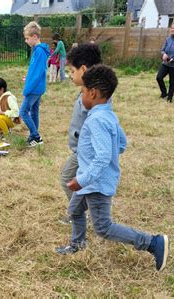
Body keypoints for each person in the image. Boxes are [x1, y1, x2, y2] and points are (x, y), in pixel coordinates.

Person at [55, 65, 169, 272]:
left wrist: (83, 179)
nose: (81, 98)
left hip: (94, 183)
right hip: (90, 180)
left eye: (82, 93)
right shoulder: (108, 115)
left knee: (103, 228)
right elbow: (122, 144)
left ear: (92, 93)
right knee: (75, 210)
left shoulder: (97, 120)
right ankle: (78, 244)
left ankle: (152, 242)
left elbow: (104, 156)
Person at [60, 44, 104, 225]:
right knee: (79, 181)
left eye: (72, 70)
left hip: (84, 150)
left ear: (83, 69)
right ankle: (83, 209)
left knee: (67, 179)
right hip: (81, 147)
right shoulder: (89, 90)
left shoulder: (93, 95)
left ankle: (78, 212)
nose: (70, 75)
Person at [21, 21, 49, 147]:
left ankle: (36, 137)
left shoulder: (39, 52)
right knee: (34, 112)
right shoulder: (38, 51)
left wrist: (27, 88)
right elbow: (35, 70)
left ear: (35, 37)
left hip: (34, 89)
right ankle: (33, 137)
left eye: (27, 38)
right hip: (37, 87)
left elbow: (38, 73)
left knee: (23, 112)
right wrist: (28, 78)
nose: (26, 41)